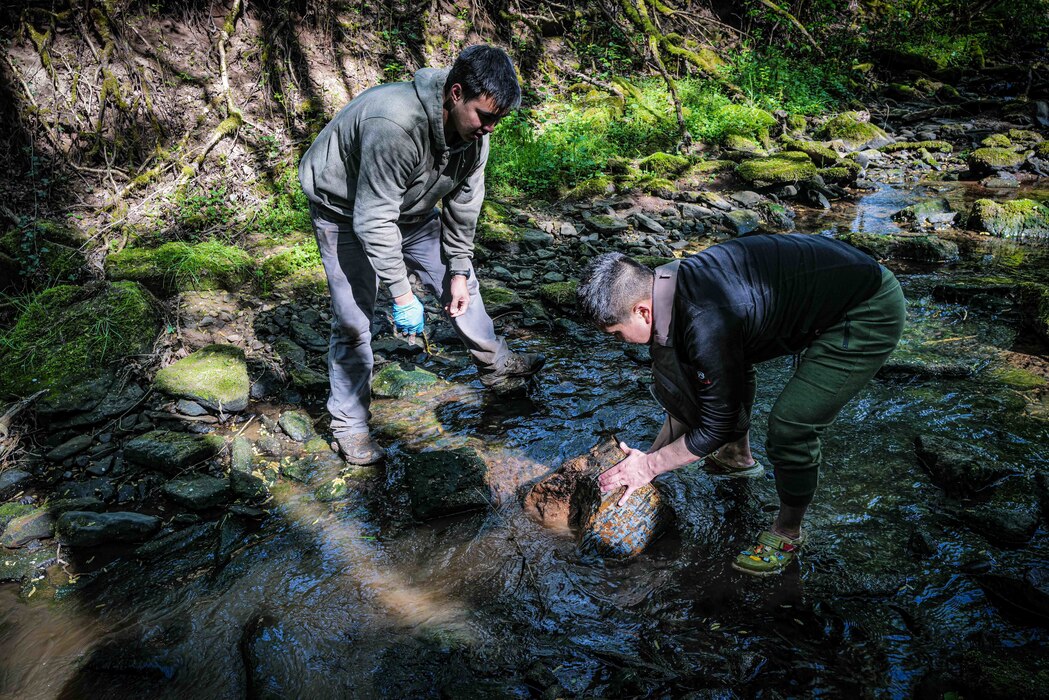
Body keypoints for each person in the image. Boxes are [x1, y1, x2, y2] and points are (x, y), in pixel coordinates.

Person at [576, 233, 906, 575]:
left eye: (616, 333)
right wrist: (649, 460)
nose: (618, 342)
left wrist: (649, 467)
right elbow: (693, 387)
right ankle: (737, 458)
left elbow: (715, 425)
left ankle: (788, 531)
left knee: (791, 426)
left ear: (643, 311)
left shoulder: (704, 322)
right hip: (820, 291)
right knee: (707, 367)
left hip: (865, 308)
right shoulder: (668, 284)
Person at [299, 45, 544, 465]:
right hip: (342, 211)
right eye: (484, 117)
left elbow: (464, 210)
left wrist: (459, 271)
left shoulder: (474, 139)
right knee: (354, 321)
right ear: (455, 93)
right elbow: (373, 221)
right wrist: (400, 293)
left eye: (497, 121)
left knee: (463, 285)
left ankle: (496, 364)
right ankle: (349, 425)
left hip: (411, 211)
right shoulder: (394, 123)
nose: (489, 128)